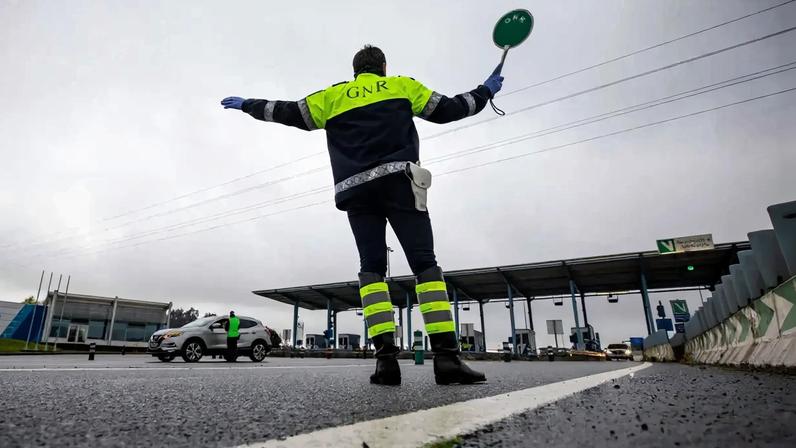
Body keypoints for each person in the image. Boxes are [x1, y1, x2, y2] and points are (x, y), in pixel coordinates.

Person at [221, 45, 504, 385]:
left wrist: (248, 105)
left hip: (356, 193)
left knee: (371, 272)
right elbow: (451, 109)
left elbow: (285, 111)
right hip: (400, 184)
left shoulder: (333, 96)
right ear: (383, 66)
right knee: (425, 266)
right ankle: (446, 360)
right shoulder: (401, 85)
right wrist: (486, 90)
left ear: (355, 70)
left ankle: (386, 364)